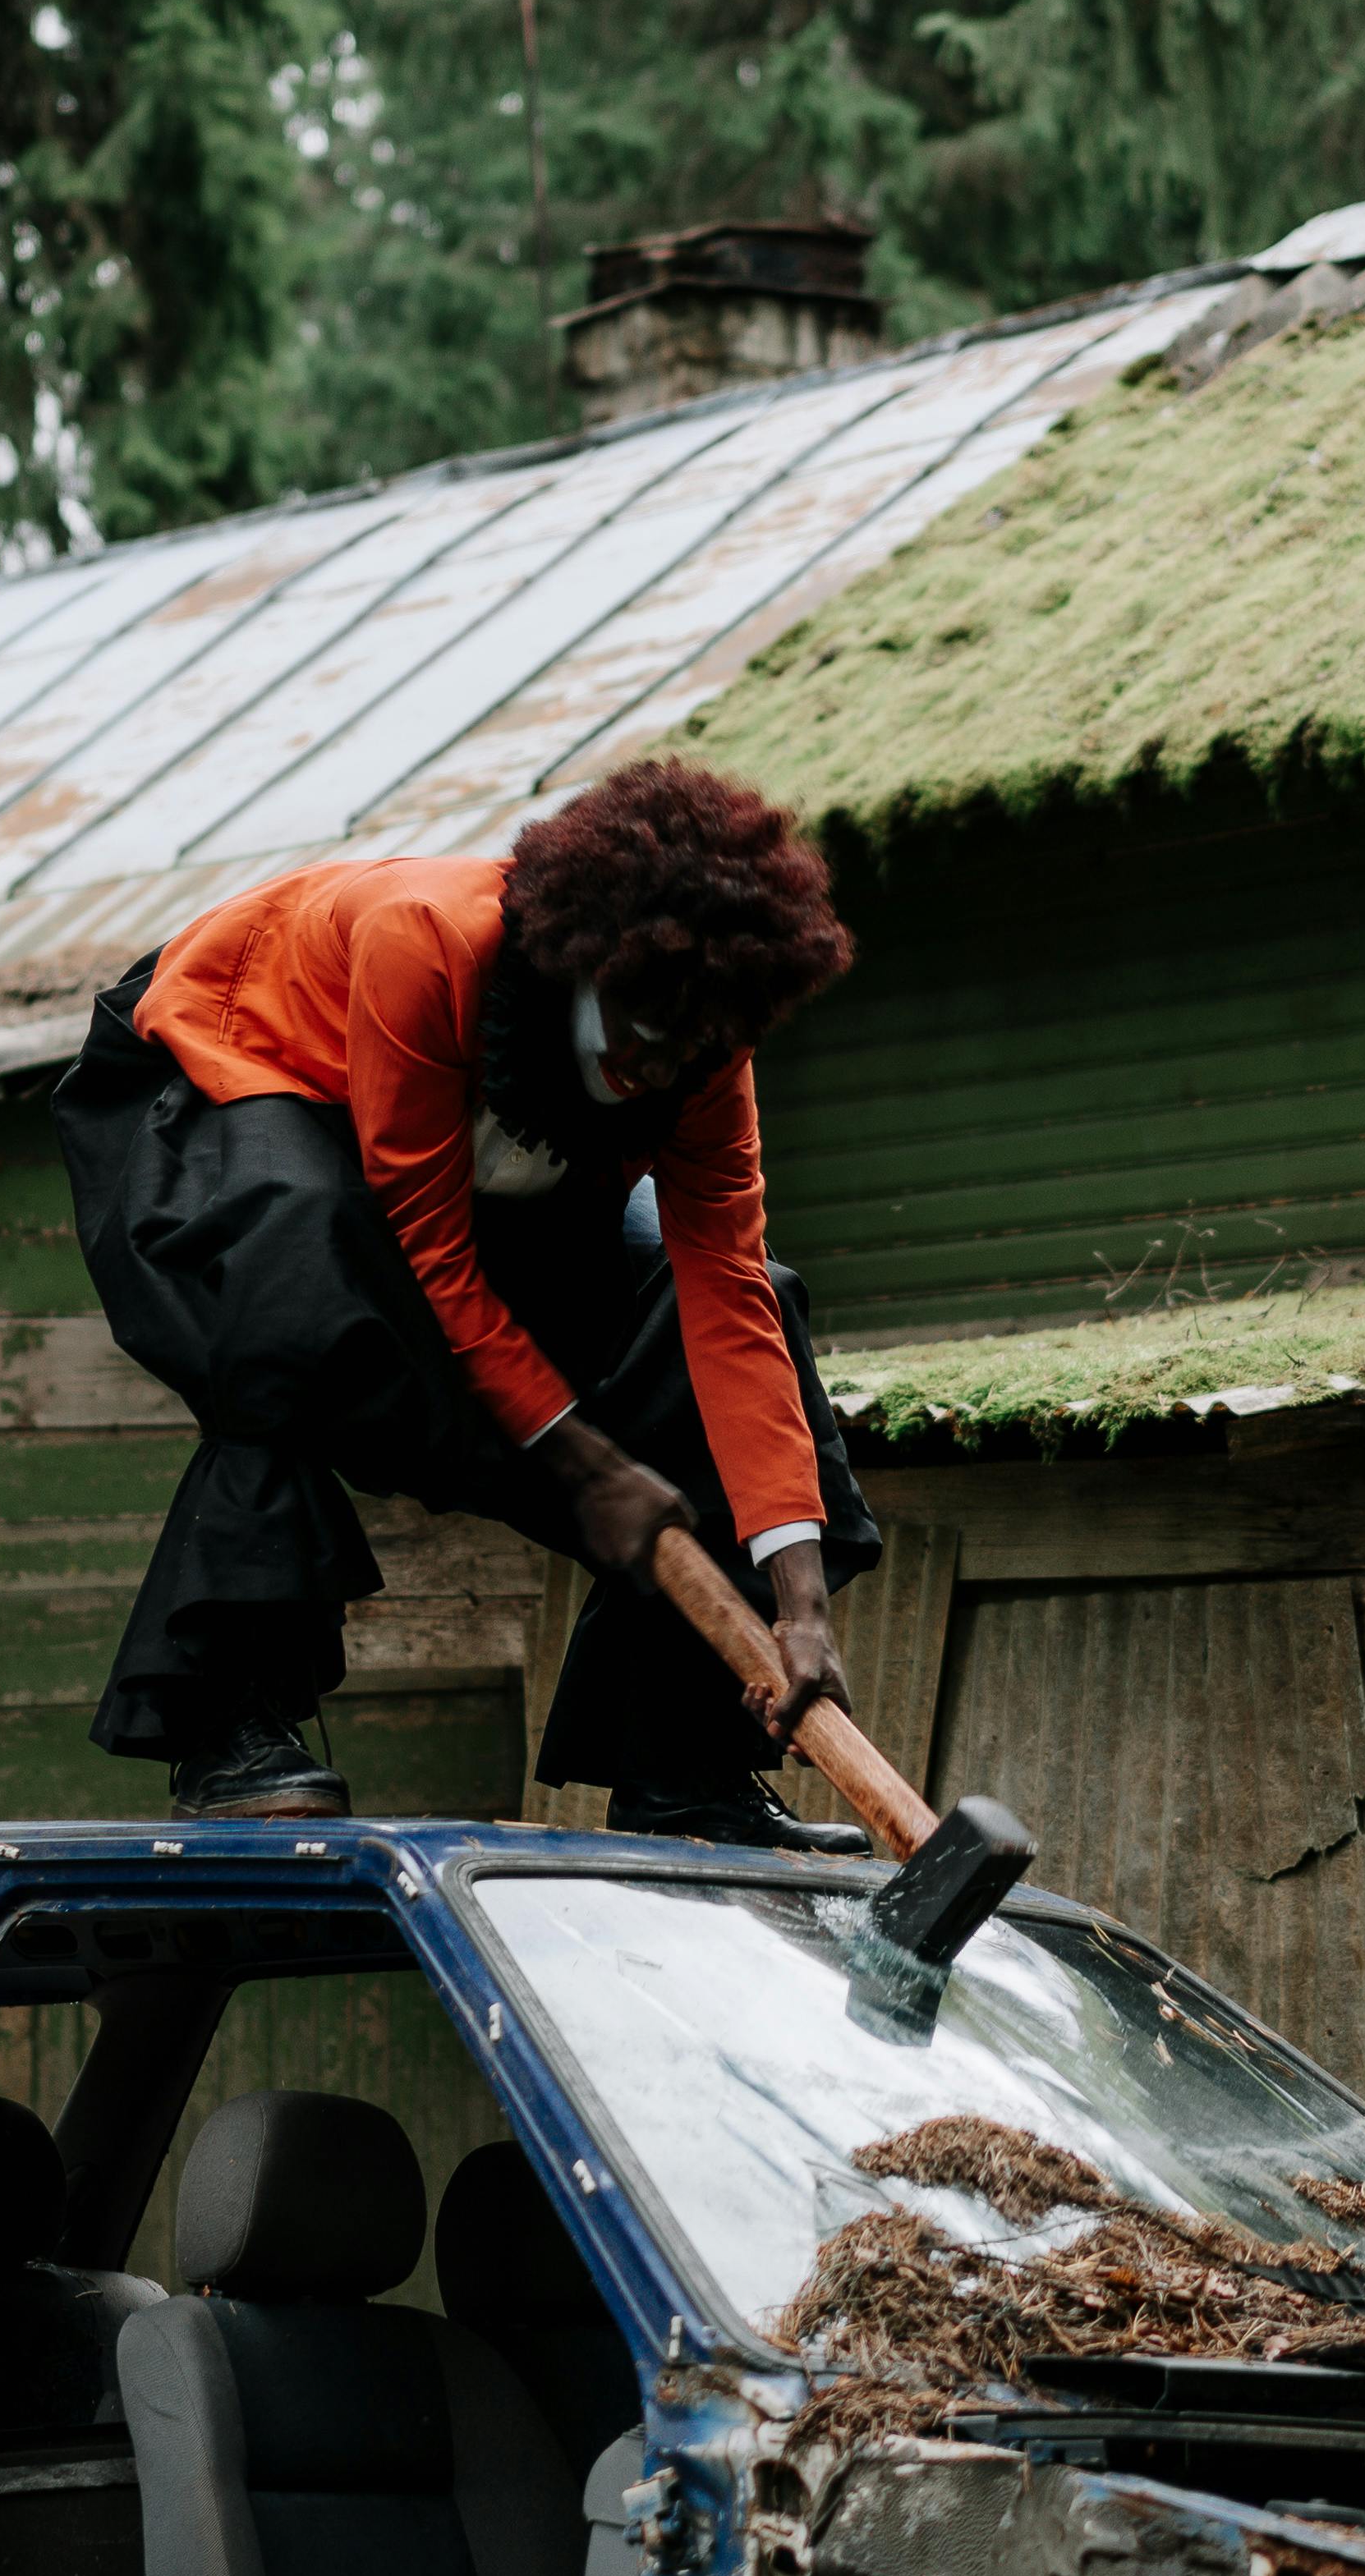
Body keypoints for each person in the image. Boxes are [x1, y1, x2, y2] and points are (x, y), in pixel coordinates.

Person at [53, 756, 879, 1838]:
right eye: (638, 1021)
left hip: (469, 1179)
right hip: (230, 1071)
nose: (651, 1063)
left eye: (686, 1047)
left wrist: (800, 1602)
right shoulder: (427, 941)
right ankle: (227, 1717)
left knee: (744, 1297)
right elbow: (428, 1252)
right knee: (302, 1260)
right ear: (589, 955)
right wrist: (590, 1466)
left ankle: (684, 1772)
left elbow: (726, 1292)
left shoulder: (702, 1051)